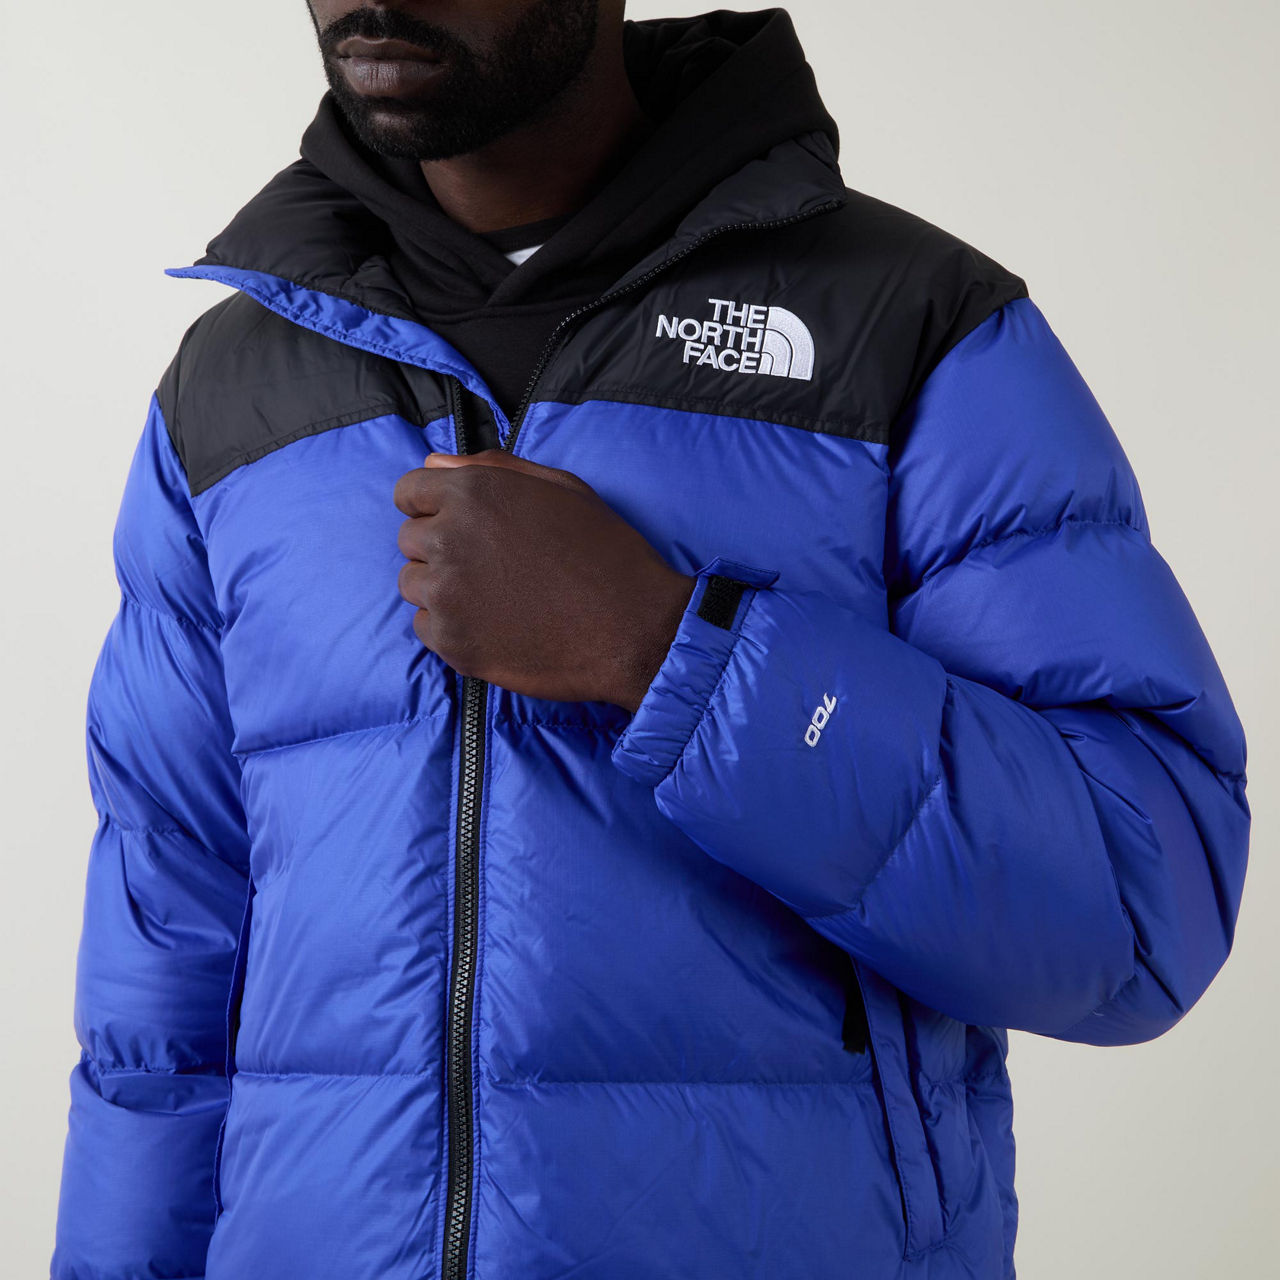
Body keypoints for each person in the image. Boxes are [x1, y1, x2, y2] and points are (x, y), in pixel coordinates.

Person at [49, 3, 1251, 1278]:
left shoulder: (904, 329)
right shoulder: (231, 390)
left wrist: (671, 648)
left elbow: (1141, 909)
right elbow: (161, 983)